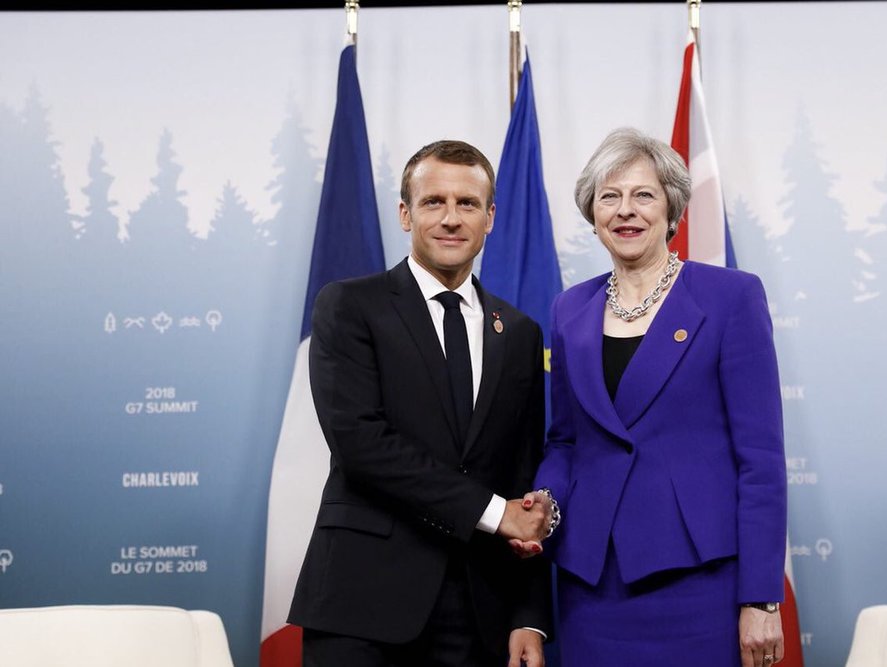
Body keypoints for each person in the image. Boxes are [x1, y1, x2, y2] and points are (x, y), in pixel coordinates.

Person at [525, 127, 787, 667]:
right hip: (592, 584)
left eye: (643, 195)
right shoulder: (569, 310)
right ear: (593, 214)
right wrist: (546, 500)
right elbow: (566, 441)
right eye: (609, 196)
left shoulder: (730, 297)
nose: (626, 210)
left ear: (672, 209)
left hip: (700, 581)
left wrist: (761, 597)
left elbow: (760, 461)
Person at [288, 140, 553, 667]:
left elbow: (523, 473)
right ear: (405, 214)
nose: (451, 219)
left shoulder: (520, 333)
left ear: (490, 218)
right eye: (434, 202)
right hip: (362, 606)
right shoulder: (349, 306)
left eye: (467, 203)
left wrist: (527, 614)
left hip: (480, 611)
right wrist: (494, 513)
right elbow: (362, 443)